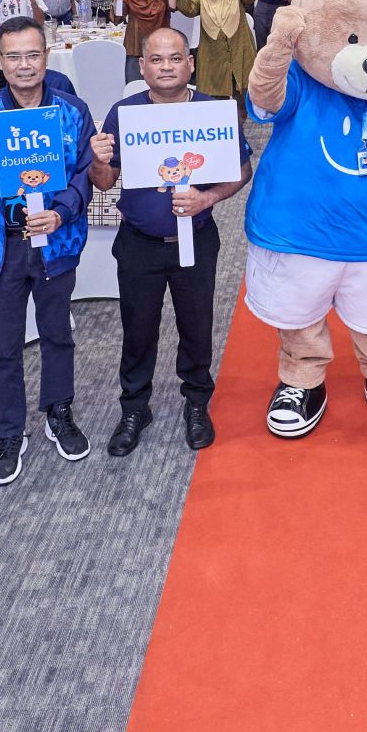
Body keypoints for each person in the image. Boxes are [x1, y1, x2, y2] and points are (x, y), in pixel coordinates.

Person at [90, 25, 251, 454]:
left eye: (175, 58)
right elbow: (103, 182)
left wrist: (207, 198)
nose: (166, 67)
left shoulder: (212, 110)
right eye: (157, 60)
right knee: (137, 330)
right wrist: (98, 160)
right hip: (138, 242)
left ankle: (196, 403)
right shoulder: (124, 113)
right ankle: (134, 407)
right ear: (142, 67)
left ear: (190, 64)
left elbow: (241, 170)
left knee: (196, 327)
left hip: (196, 239)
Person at [0, 17, 96, 481]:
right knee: (4, 347)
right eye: (13, 56)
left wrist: (61, 212)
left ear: (47, 56)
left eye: (32, 54)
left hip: (56, 243)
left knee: (58, 333)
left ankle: (59, 412)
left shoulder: (72, 111)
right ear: (0, 60)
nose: (24, 65)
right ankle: (9, 431)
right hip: (0, 250)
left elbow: (85, 173)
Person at [119, 0, 175, 81]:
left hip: (160, 47)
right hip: (136, 49)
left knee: (162, 86)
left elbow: (173, 6)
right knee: (135, 88)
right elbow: (117, 18)